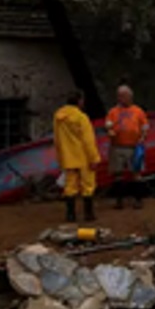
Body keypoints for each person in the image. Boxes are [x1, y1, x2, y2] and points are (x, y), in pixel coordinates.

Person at [53, 89, 101, 224]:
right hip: (83, 156)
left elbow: (57, 139)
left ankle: (70, 215)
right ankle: (88, 214)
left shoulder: (58, 117)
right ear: (79, 101)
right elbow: (88, 140)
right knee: (88, 185)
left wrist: (60, 156)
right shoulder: (81, 118)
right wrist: (94, 158)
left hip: (68, 157)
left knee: (70, 186)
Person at [105, 85, 151, 209]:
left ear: (130, 97)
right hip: (118, 146)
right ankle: (119, 201)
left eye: (124, 96)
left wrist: (142, 137)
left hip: (134, 146)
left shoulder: (138, 111)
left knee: (136, 173)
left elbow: (145, 126)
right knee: (118, 173)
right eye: (119, 96)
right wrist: (110, 131)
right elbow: (108, 125)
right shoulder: (113, 111)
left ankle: (138, 200)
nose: (121, 98)